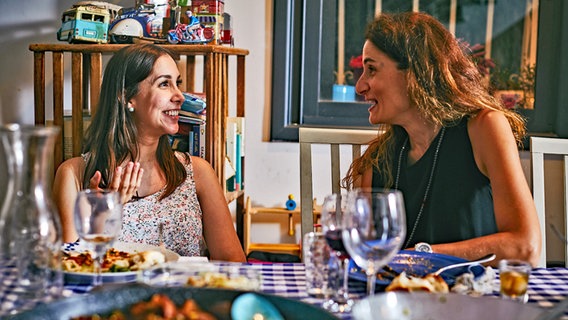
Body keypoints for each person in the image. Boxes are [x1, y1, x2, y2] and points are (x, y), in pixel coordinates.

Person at [343, 12, 541, 267]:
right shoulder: (376, 163)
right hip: (402, 303)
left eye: (371, 69)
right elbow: (367, 262)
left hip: (477, 301)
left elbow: (525, 248)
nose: (360, 86)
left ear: (414, 72)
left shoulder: (484, 127)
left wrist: (423, 255)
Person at [53, 43, 246, 262]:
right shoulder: (74, 174)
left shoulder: (198, 172)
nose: (180, 96)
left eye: (177, 83)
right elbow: (66, 270)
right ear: (126, 96)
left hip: (182, 294)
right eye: (164, 84)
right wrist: (102, 218)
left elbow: (234, 264)